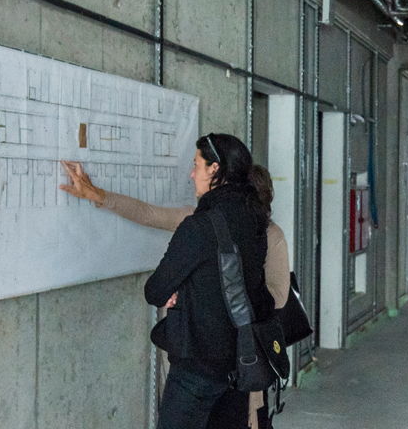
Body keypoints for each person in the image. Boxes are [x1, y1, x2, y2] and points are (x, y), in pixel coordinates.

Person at [61, 133, 280, 429]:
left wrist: (179, 288)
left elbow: (156, 290)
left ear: (215, 169)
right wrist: (98, 195)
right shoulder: (255, 221)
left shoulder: (199, 225)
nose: (192, 174)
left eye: (196, 165)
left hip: (198, 365)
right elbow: (151, 215)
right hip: (238, 361)